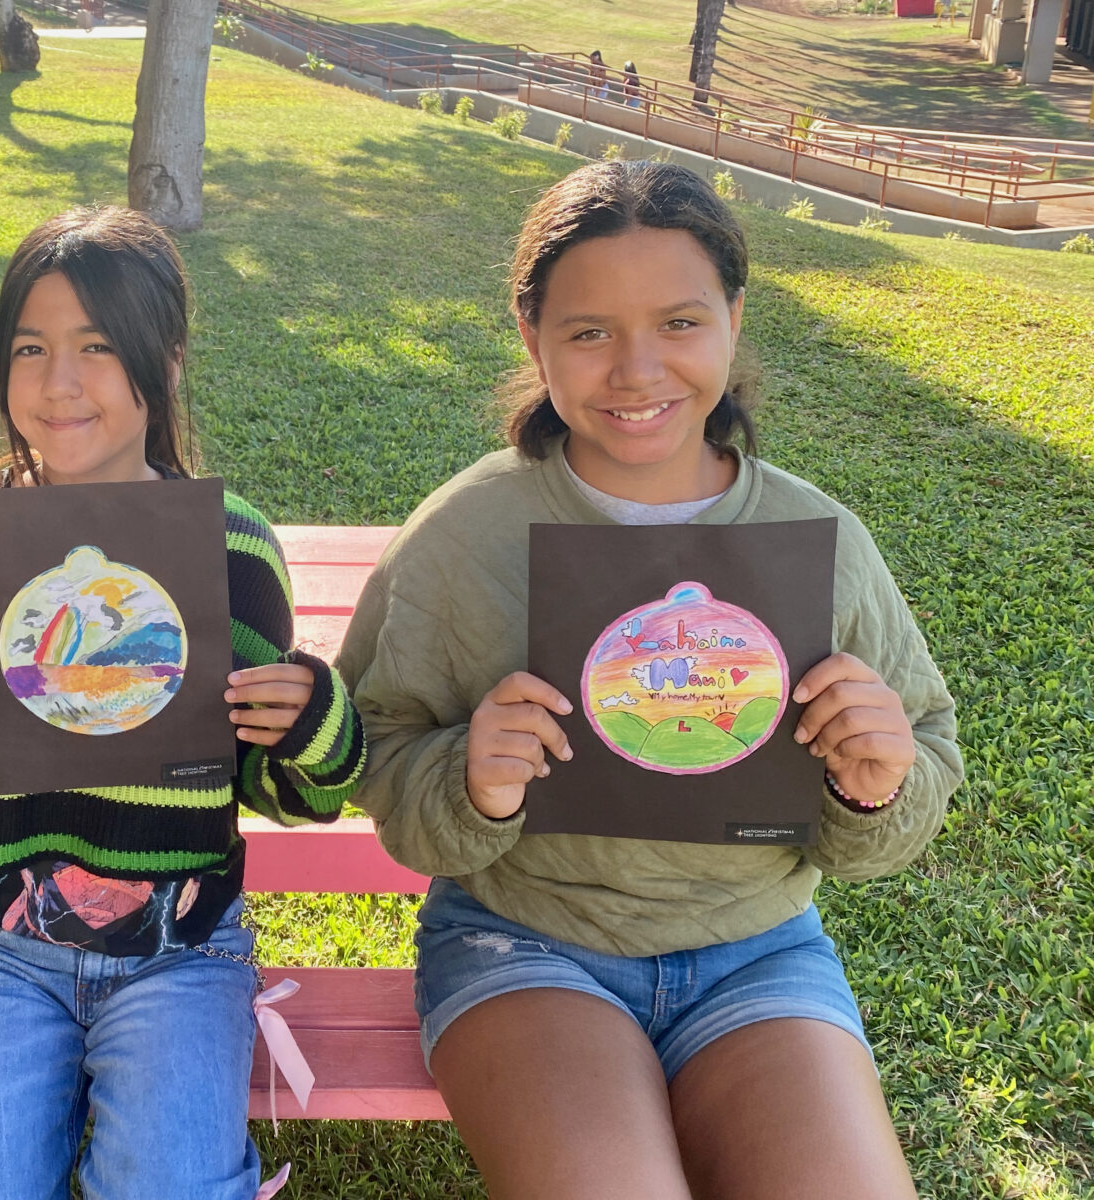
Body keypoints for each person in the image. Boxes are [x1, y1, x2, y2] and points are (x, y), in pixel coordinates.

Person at [337, 161, 962, 1200]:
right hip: (524, 943)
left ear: (733, 318)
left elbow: (922, 755)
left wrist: (877, 779)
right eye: (589, 333)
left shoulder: (816, 539)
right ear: (533, 337)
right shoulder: (465, 537)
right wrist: (471, 780)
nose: (637, 371)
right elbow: (376, 751)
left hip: (759, 952)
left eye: (679, 322)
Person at [0, 205, 366, 1200]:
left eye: (98, 346)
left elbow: (294, 790)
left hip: (184, 947)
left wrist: (312, 722)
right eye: (31, 347)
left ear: (165, 361)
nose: (60, 384)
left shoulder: (231, 546)